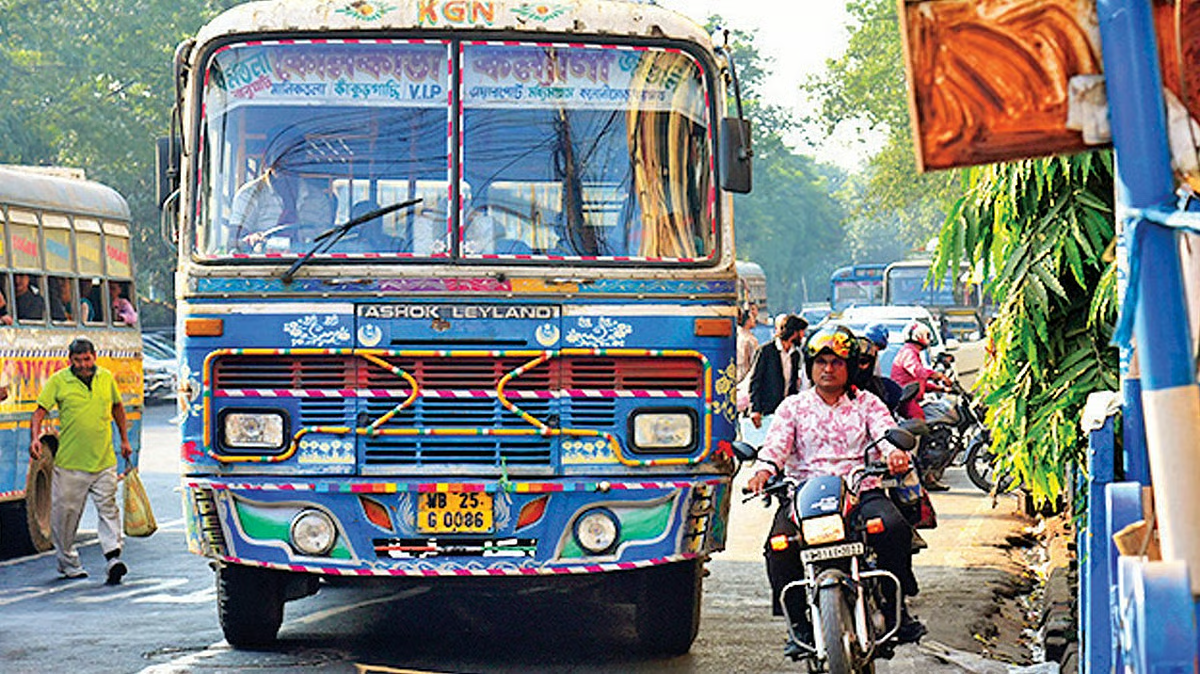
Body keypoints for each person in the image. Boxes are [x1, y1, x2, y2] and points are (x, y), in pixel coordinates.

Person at [746, 324, 926, 647]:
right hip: (805, 495)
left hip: (860, 490)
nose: (828, 369)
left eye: (837, 362)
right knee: (778, 547)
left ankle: (894, 607)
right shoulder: (793, 407)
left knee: (894, 529)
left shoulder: (867, 403)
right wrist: (762, 471)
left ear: (849, 367)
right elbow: (774, 448)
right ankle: (798, 624)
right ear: (810, 366)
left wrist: (896, 454)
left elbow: (886, 434)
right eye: (821, 362)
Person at [30, 337, 132, 583]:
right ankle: (68, 562)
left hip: (104, 461)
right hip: (70, 465)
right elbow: (39, 411)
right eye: (78, 361)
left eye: (87, 359)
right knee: (65, 517)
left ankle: (113, 558)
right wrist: (35, 437)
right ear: (70, 361)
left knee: (108, 509)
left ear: (94, 356)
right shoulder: (59, 381)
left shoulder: (106, 378)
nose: (84, 365)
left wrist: (124, 440)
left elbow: (118, 408)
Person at [890, 320, 954, 491]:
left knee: (930, 425)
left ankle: (928, 470)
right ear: (918, 336)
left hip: (913, 397)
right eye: (926, 336)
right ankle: (916, 464)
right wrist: (938, 375)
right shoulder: (909, 353)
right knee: (920, 426)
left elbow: (920, 381)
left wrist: (942, 388)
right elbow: (918, 372)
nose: (928, 339)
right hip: (906, 400)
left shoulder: (913, 353)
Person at [748, 314, 808, 429]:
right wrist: (755, 409)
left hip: (787, 412)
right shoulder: (766, 351)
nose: (803, 336)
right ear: (794, 332)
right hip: (767, 412)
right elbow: (755, 381)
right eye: (801, 332)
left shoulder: (795, 355)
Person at [736, 304, 760, 383]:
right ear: (747, 321)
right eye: (752, 318)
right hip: (745, 377)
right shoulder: (749, 339)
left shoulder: (737, 335)